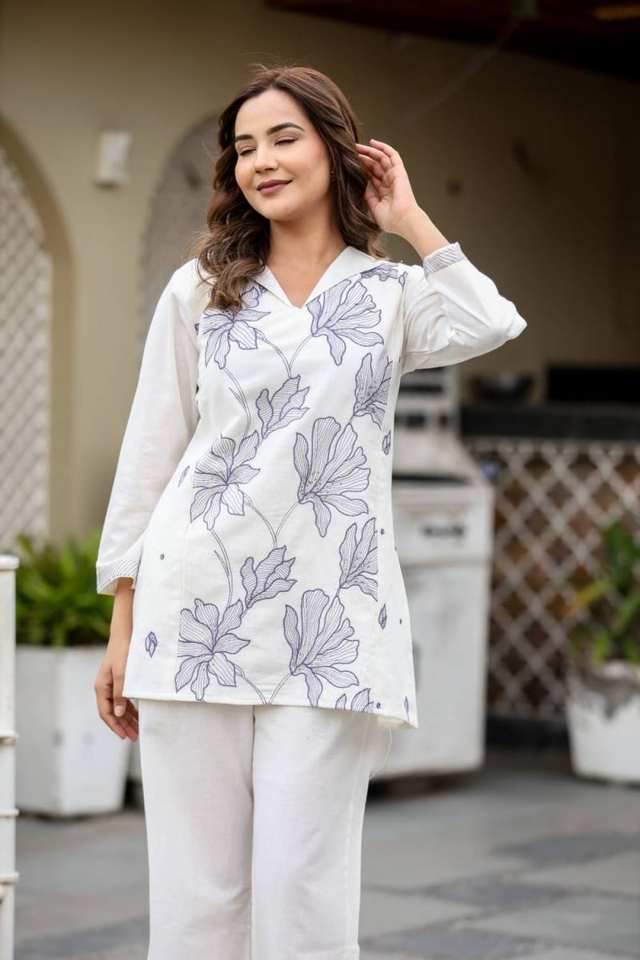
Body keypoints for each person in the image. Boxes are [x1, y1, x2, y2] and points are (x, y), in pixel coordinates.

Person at [94, 63, 527, 959]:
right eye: (244, 147)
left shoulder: (389, 295)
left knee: (306, 896)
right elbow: (150, 454)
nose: (261, 161)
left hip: (332, 623)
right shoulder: (200, 290)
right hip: (194, 610)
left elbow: (489, 320)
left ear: (337, 150)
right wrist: (122, 622)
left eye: (284, 138)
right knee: (199, 898)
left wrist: (409, 217)